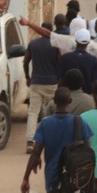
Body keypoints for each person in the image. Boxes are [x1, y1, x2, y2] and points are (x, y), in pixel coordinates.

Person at [21, 87, 94, 193]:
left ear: (54, 101)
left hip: (52, 178)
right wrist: (88, 182)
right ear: (70, 101)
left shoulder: (45, 123)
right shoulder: (79, 122)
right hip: (72, 179)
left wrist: (26, 178)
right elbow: (88, 154)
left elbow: (35, 153)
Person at [19, 16, 97, 79]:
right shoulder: (95, 47)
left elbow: (46, 33)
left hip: (69, 87)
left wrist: (29, 23)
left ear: (71, 27)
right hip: (89, 87)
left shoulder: (64, 40)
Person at [23, 21, 59, 154]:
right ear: (51, 31)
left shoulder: (33, 44)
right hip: (52, 83)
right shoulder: (55, 44)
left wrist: (28, 78)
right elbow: (59, 63)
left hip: (36, 82)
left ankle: (30, 142)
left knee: (33, 112)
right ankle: (53, 139)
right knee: (55, 112)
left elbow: (26, 62)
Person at [58, 29, 97, 94]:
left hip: (67, 98)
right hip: (86, 97)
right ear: (88, 42)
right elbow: (94, 83)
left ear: (76, 40)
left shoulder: (65, 58)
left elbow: (60, 80)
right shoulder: (94, 60)